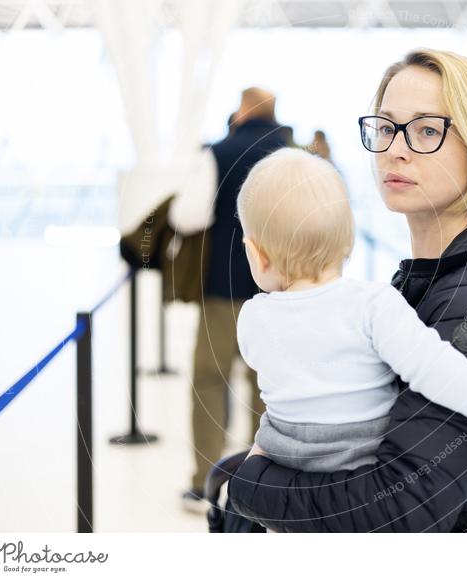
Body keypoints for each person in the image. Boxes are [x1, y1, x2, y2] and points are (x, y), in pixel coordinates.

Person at [227, 49, 467, 532]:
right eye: (387, 127)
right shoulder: (423, 277)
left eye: (427, 131)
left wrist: (245, 486)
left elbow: (396, 510)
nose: (396, 149)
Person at [235, 147, 467, 474]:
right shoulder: (373, 304)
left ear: (257, 255)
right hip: (363, 457)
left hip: (284, 454)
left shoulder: (253, 318)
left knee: (263, 449)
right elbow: (435, 368)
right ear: (348, 243)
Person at [183, 87, 289, 511]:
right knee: (270, 385)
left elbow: (190, 216)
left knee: (211, 377)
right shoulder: (292, 155)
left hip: (224, 286)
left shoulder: (219, 152)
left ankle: (205, 479)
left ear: (242, 110)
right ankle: (266, 478)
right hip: (282, 290)